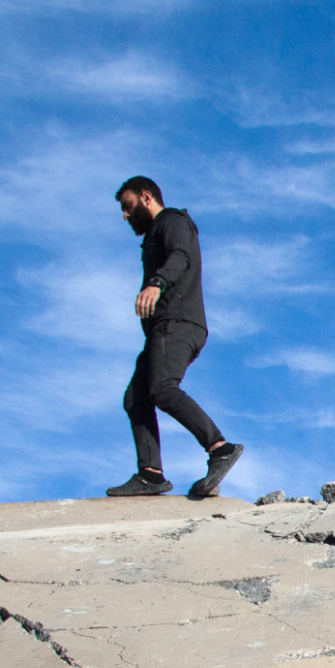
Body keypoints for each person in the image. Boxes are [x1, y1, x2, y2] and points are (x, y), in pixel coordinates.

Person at [105, 176, 244, 498]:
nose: (125, 215)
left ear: (146, 196)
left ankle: (220, 448)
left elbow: (181, 255)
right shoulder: (155, 232)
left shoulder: (173, 222)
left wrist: (156, 283)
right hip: (162, 329)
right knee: (136, 397)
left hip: (178, 324)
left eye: (128, 206)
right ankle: (150, 475)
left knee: (163, 388)